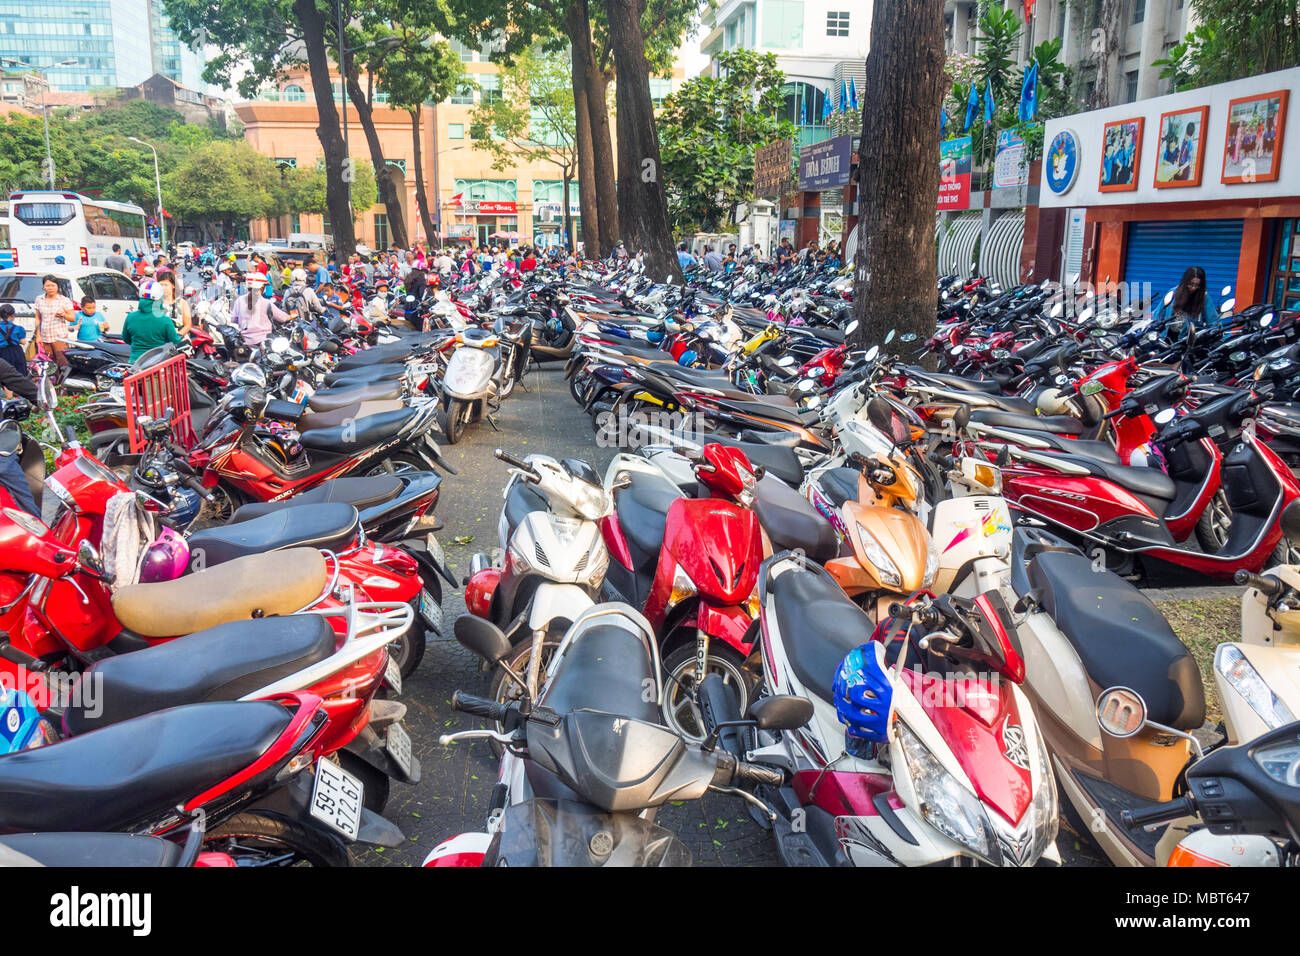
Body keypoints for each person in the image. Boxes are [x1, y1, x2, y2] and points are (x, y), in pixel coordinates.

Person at [121, 280, 182, 363]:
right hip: (157, 366)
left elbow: (126, 339)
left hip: (134, 364)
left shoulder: (130, 317)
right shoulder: (165, 320)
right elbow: (175, 342)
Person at [1152, 265, 1219, 335]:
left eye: (1197, 285)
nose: (1193, 288)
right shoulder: (1173, 292)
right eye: (1191, 284)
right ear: (1185, 281)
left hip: (1189, 340)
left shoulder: (1204, 297)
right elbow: (1158, 315)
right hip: (1167, 337)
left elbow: (1213, 321)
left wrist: (1215, 333)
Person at [229, 275, 289, 347]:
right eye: (264, 286)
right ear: (261, 287)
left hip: (245, 341)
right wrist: (292, 316)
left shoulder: (239, 300)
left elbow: (234, 319)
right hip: (263, 341)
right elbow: (282, 318)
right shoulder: (266, 302)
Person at [33, 275, 76, 372]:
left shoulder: (64, 300)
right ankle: (51, 384)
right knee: (48, 364)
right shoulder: (39, 299)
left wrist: (63, 315)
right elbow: (38, 318)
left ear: (57, 287)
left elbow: (72, 318)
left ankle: (62, 384)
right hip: (44, 338)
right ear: (43, 287)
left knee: (62, 362)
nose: (50, 288)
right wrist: (37, 335)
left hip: (59, 338)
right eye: (48, 285)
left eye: (53, 285)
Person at [0, 305, 28, 377]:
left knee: (3, 372)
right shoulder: (19, 328)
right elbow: (23, 342)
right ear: (13, 315)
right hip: (15, 352)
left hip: (1, 352)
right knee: (18, 372)